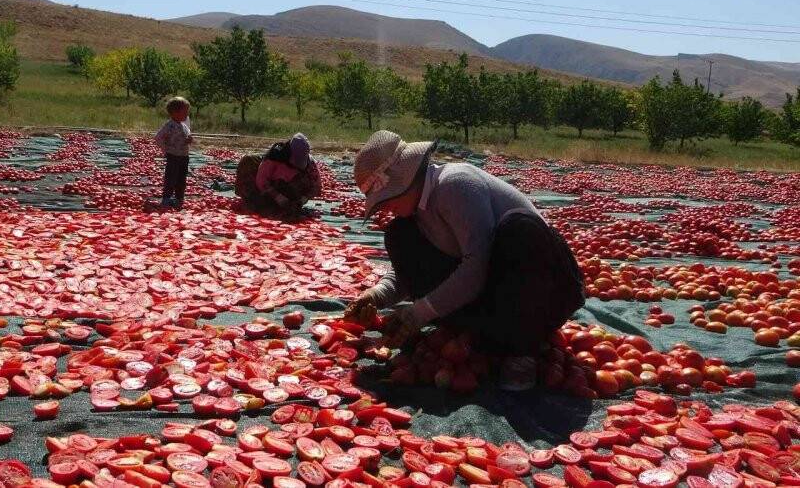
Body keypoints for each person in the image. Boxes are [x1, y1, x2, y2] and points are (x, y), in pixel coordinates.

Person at [344, 130, 584, 390]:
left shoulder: (455, 185)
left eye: (385, 199)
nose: (383, 208)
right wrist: (377, 295)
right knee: (398, 235)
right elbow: (405, 272)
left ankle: (522, 349)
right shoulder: (417, 210)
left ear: (405, 181)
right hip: (494, 294)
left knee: (519, 230)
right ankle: (483, 338)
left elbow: (476, 265)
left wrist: (418, 313)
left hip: (542, 293)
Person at [235, 133, 322, 215]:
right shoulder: (275, 156)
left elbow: (317, 185)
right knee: (247, 162)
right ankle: (254, 200)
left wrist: (304, 198)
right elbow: (261, 179)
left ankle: (286, 205)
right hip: (268, 186)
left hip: (289, 190)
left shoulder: (310, 163)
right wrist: (277, 196)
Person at [154, 97, 193, 208]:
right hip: (173, 156)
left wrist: (189, 140)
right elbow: (158, 138)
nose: (187, 114)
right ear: (175, 112)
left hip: (184, 156)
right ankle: (167, 198)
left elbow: (188, 136)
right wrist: (166, 149)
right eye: (185, 112)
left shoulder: (184, 125)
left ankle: (179, 198)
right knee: (171, 178)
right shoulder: (169, 126)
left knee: (182, 178)